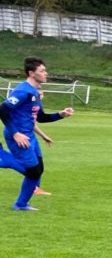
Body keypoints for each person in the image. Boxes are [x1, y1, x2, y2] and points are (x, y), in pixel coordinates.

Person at [0, 56, 73, 211]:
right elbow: (3, 109)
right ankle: (4, 159)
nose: (46, 73)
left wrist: (60, 114)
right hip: (19, 136)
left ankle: (21, 204)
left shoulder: (34, 93)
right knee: (33, 172)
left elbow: (40, 117)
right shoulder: (23, 91)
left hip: (30, 136)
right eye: (42, 71)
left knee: (38, 170)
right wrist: (15, 133)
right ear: (32, 73)